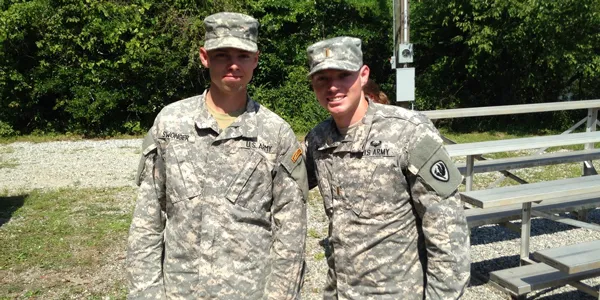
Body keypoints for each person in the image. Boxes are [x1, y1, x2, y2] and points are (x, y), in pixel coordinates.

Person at [126, 12, 308, 299]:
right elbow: (147, 222)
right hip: (180, 292)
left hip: (250, 292)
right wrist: (145, 293)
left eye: (243, 55)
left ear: (256, 59)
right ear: (204, 56)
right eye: (222, 54)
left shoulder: (276, 134)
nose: (233, 64)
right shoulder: (170, 123)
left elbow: (291, 236)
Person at [304, 36, 470, 299]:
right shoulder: (318, 139)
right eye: (322, 78)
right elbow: (284, 185)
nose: (332, 87)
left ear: (363, 75)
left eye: (343, 75)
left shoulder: (408, 131)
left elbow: (448, 233)